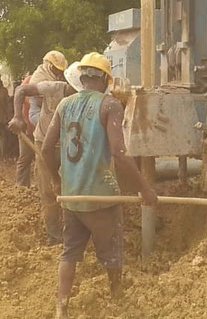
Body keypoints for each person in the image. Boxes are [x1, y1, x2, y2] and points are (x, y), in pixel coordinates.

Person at [42, 53, 158, 318]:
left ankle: (62, 307)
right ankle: (117, 299)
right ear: (106, 79)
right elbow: (119, 152)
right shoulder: (110, 105)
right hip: (102, 197)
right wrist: (145, 189)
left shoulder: (64, 105)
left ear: (82, 78)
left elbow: (47, 148)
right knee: (113, 252)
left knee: (69, 252)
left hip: (72, 197)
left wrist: (56, 178)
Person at [9, 62, 81, 243]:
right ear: (70, 84)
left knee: (71, 189)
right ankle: (54, 234)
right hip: (43, 143)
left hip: (69, 146)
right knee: (48, 190)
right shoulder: (53, 88)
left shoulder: (86, 98)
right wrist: (18, 116)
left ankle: (72, 233)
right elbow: (20, 90)